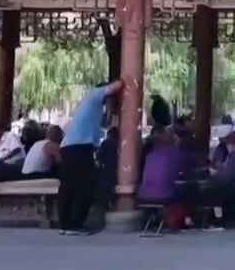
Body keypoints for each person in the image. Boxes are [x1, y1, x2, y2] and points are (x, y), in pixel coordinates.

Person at [57, 79, 124, 236]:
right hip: (80, 148)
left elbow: (105, 124)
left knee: (68, 187)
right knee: (85, 187)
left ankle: (66, 224)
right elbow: (119, 84)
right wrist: (125, 79)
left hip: (68, 147)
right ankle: (76, 224)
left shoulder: (92, 107)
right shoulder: (95, 94)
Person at [137, 128, 188, 205]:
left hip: (143, 195)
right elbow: (185, 170)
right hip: (164, 196)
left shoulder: (150, 156)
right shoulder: (175, 155)